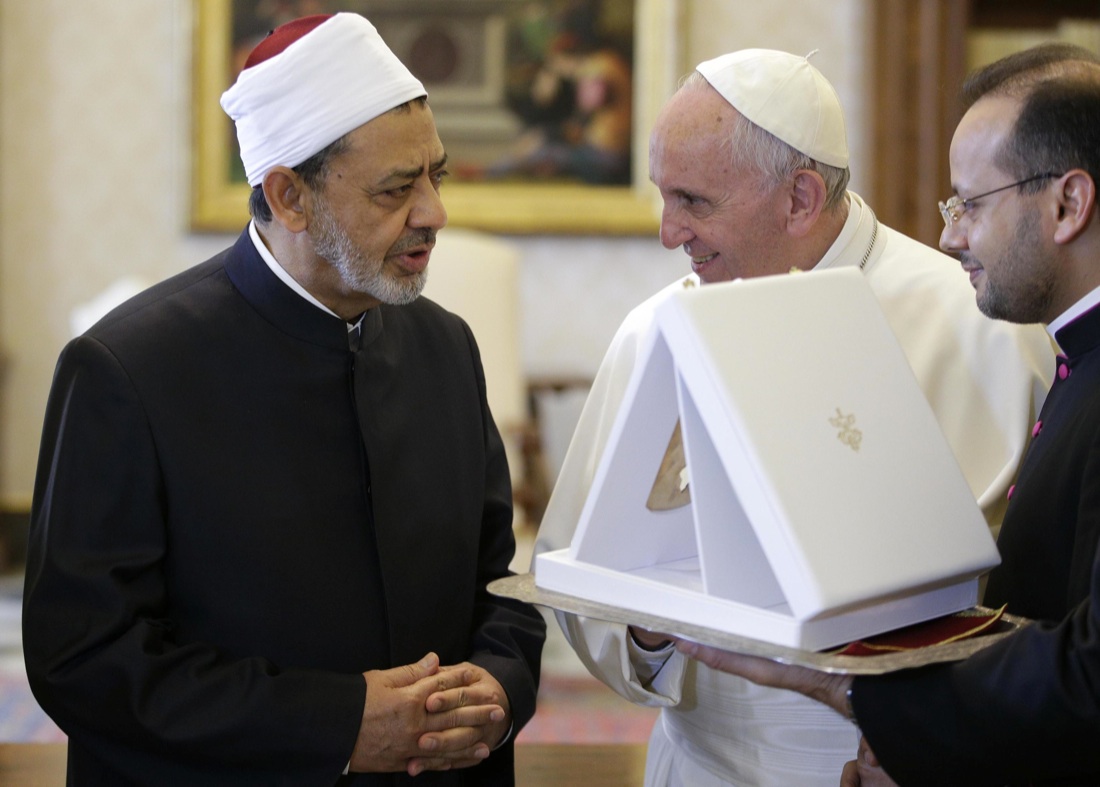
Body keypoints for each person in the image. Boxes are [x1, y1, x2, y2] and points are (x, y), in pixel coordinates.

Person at [22, 13, 545, 785]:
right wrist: (336, 725)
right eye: (397, 188)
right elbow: (84, 656)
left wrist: (501, 685)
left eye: (436, 175)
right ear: (289, 195)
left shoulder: (445, 346)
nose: (434, 212)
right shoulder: (126, 369)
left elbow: (498, 581)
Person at [533, 48, 1054, 786]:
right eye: (663, 196)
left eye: (693, 201)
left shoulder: (982, 327)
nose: (668, 232)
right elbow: (580, 578)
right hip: (700, 766)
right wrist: (646, 630)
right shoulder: (655, 331)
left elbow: (1038, 606)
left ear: (801, 199)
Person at [679, 46, 1100, 785]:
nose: (950, 236)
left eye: (971, 205)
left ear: (1068, 204)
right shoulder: (1078, 354)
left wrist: (854, 691)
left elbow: (1088, 675)